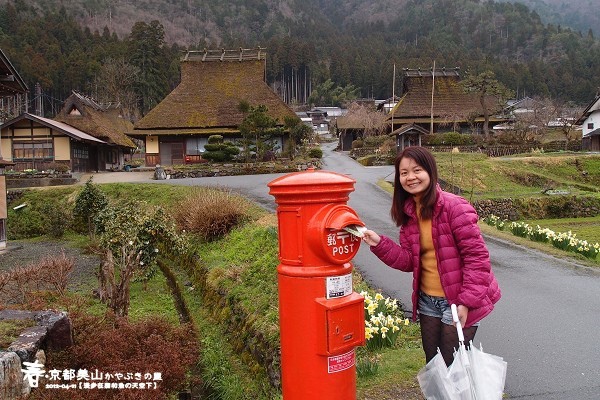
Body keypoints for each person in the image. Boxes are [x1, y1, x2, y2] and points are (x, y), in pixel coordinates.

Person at [362, 146, 501, 366]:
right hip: (428, 301)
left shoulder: (455, 207)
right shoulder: (409, 214)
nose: (411, 177)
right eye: (404, 173)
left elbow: (477, 259)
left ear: (430, 171)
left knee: (452, 366)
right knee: (434, 364)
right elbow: (410, 260)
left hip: (458, 300)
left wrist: (466, 303)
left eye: (417, 170)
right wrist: (379, 243)